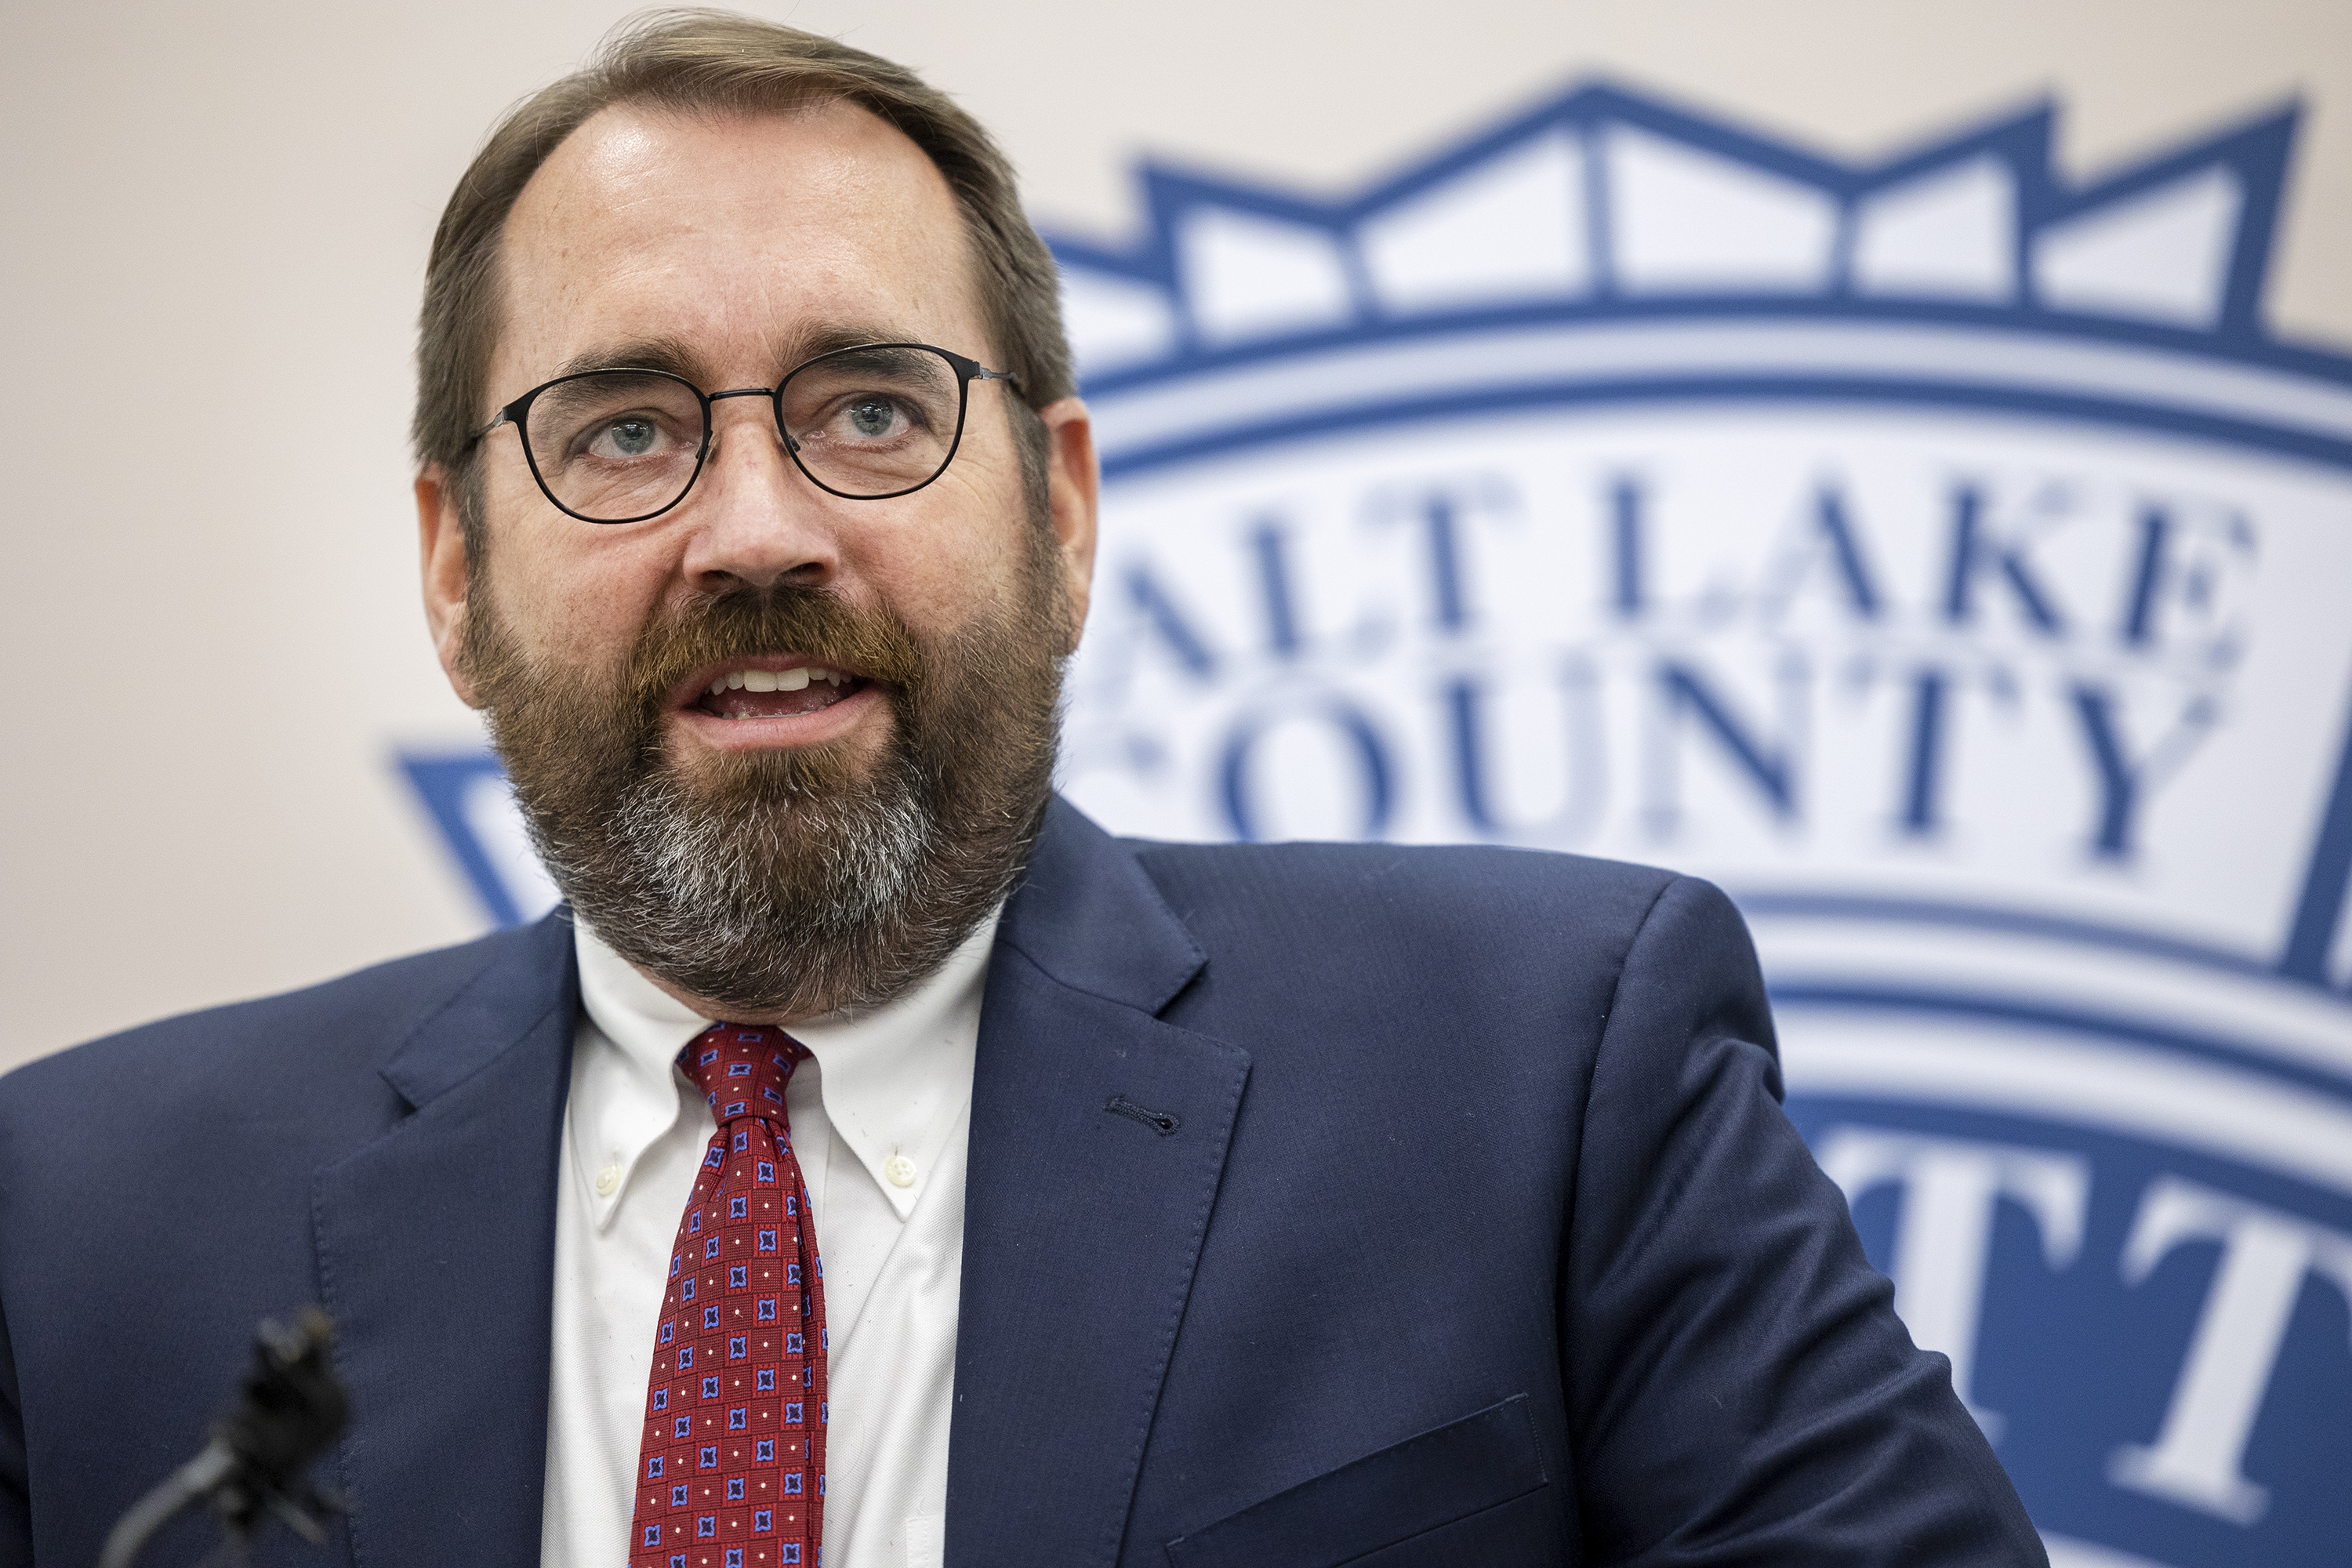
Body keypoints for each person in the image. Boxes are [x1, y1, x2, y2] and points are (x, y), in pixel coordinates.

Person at [0, 12, 2047, 1566]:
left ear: (1060, 517)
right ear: (455, 572)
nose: (754, 529)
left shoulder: (1540, 1074)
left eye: (870, 408)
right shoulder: (73, 1224)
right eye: (624, 431)